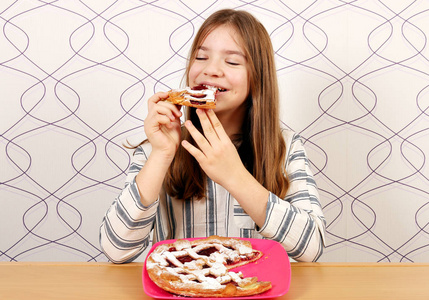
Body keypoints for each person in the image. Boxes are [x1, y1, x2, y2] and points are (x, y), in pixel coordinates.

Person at [99, 9, 326, 263]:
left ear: (257, 78)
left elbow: (312, 247)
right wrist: (162, 154)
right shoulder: (158, 146)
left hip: (253, 289)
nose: (211, 70)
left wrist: (235, 176)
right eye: (201, 57)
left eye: (232, 62)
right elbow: (116, 250)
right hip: (179, 288)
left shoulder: (285, 147)